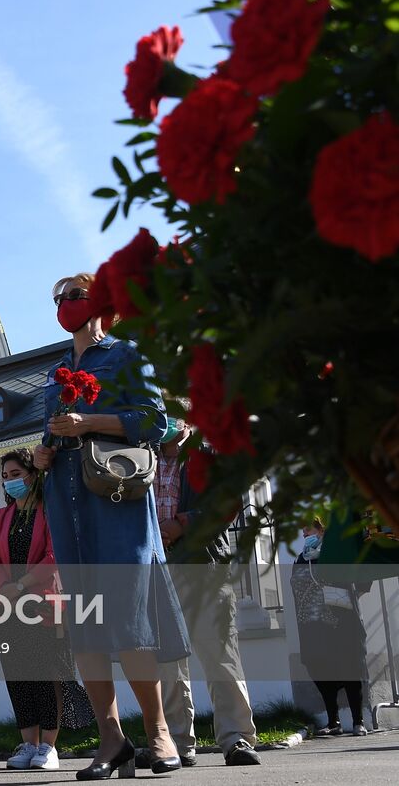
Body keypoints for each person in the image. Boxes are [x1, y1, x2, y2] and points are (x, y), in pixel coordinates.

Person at [30, 272, 188, 780]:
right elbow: (51, 428)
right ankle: (112, 738)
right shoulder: (56, 371)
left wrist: (90, 423)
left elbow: (155, 422)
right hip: (67, 498)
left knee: (129, 618)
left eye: (74, 296)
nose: (64, 305)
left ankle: (159, 732)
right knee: (86, 625)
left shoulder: (126, 355)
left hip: (116, 498)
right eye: (58, 299)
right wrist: (43, 451)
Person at [152, 420, 260, 767]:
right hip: (156, 569)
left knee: (220, 656)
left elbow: (226, 505)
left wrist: (182, 523)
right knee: (167, 663)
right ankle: (177, 743)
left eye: (171, 414)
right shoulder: (144, 457)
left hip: (203, 567)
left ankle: (236, 738)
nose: (163, 423)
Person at [0, 449, 92, 772]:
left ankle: (48, 745)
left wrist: (22, 585)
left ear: (33, 475)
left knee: (48, 674)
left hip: (43, 603)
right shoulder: (1, 517)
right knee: (18, 675)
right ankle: (27, 743)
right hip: (8, 607)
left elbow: (54, 553)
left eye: (15, 474)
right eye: (5, 477)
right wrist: (6, 587)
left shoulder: (49, 512)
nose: (9, 482)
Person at [291, 517, 368, 736]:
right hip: (313, 624)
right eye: (303, 530)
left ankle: (358, 721)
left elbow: (360, 577)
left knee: (350, 667)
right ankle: (333, 721)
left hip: (342, 623)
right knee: (319, 667)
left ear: (322, 530)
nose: (304, 533)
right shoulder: (301, 559)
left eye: (309, 529)